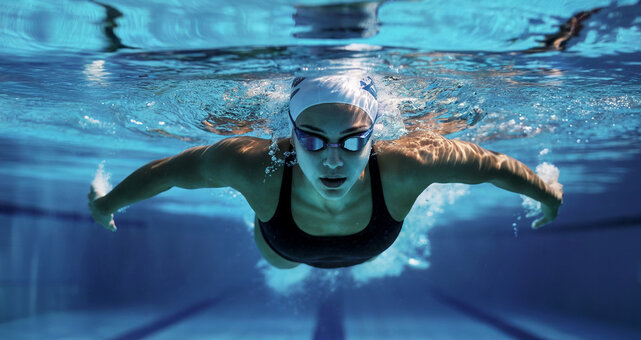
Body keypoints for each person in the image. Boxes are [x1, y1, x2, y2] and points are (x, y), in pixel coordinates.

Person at [88, 74, 563, 269]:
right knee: (280, 262)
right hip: (283, 244)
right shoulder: (256, 168)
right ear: (291, 135)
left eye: (355, 140)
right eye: (312, 140)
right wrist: (107, 203)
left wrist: (546, 194)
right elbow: (171, 170)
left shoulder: (409, 166)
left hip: (359, 238)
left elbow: (489, 167)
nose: (332, 158)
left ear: (375, 137)